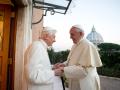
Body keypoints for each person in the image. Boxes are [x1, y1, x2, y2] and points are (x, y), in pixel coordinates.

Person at [55, 25, 103, 90]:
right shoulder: (75, 45)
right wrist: (64, 64)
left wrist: (63, 69)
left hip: (85, 83)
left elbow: (84, 70)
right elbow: (72, 60)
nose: (70, 37)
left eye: (72, 34)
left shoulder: (87, 45)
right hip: (75, 81)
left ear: (81, 34)